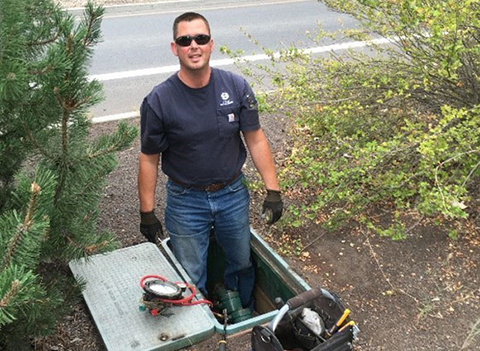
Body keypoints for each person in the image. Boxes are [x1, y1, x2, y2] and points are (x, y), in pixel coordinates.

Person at [137, 12, 283, 309]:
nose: (194, 45)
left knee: (241, 261)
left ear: (211, 44)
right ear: (174, 47)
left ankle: (240, 313)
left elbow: (255, 138)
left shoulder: (236, 86)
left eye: (200, 38)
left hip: (232, 195)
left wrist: (273, 190)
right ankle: (201, 320)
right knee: (189, 273)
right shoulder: (159, 100)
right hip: (185, 201)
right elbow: (149, 158)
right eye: (185, 40)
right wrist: (147, 213)